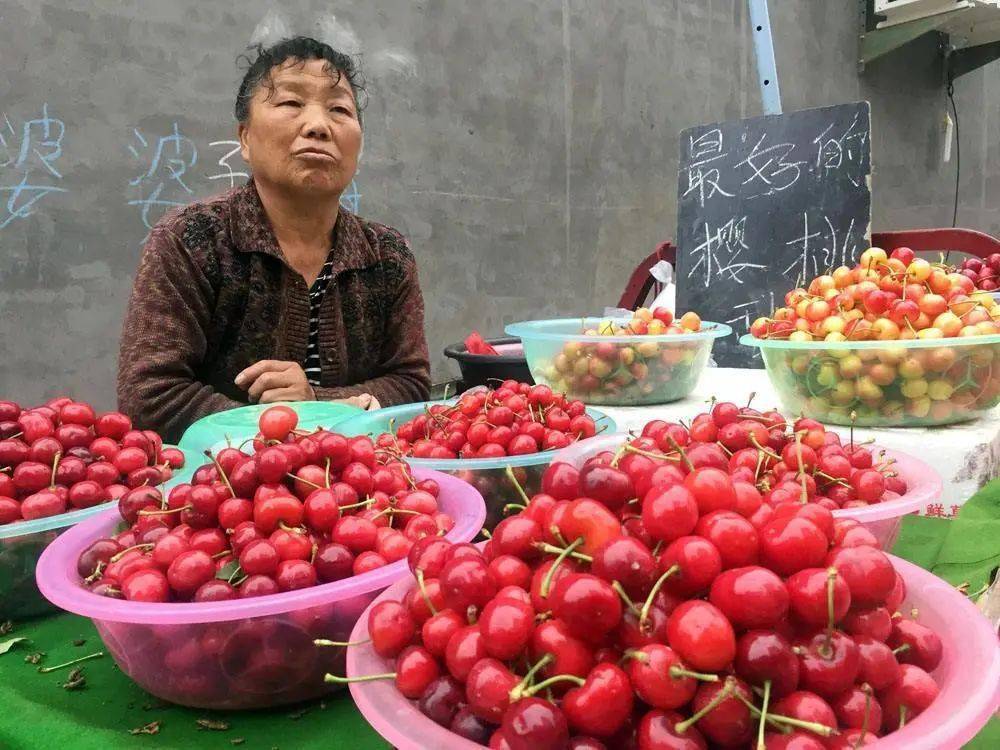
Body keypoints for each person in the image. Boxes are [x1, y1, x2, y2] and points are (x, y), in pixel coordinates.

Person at [117, 37, 430, 442]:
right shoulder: (191, 241)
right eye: (290, 103)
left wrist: (318, 399)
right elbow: (150, 398)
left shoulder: (387, 256)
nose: (318, 125)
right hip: (217, 489)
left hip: (364, 487)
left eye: (339, 109)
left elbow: (411, 385)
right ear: (244, 139)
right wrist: (291, 424)